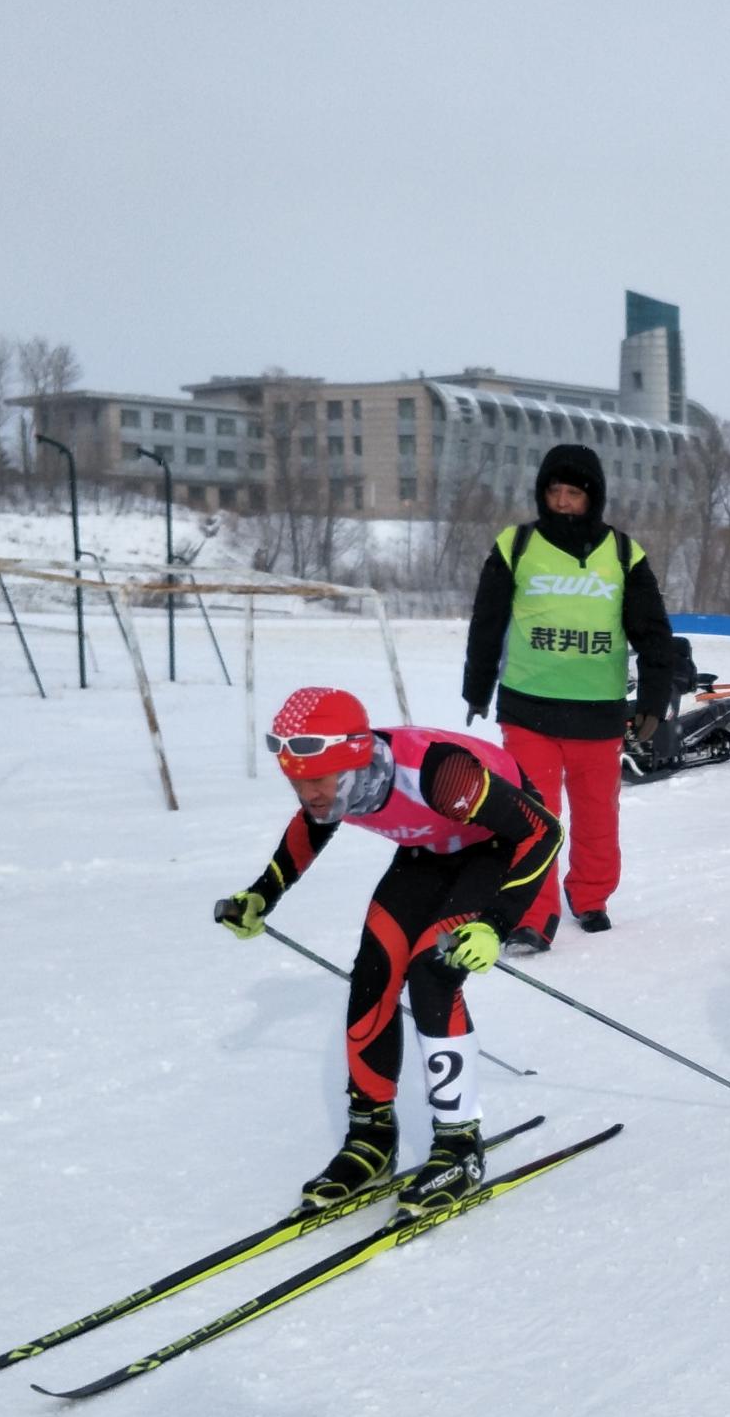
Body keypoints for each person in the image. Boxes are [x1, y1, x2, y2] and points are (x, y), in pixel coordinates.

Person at [214, 688, 562, 1213]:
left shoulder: (440, 774)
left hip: (496, 845)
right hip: (428, 849)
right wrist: (264, 892)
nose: (308, 792)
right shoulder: (337, 781)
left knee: (433, 971)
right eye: (297, 781)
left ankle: (458, 1145)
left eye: (317, 780)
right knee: (373, 972)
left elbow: (543, 831)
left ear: (352, 764)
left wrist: (495, 924)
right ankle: (371, 1138)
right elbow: (313, 824)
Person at [460, 444, 673, 949]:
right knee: (534, 819)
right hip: (528, 708)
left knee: (598, 814)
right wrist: (477, 686)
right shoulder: (516, 545)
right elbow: (486, 623)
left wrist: (652, 700)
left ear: (592, 497)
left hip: (598, 713)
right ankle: (532, 915)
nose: (561, 501)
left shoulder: (624, 554)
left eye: (573, 493)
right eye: (553, 491)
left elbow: (653, 634)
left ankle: (592, 896)